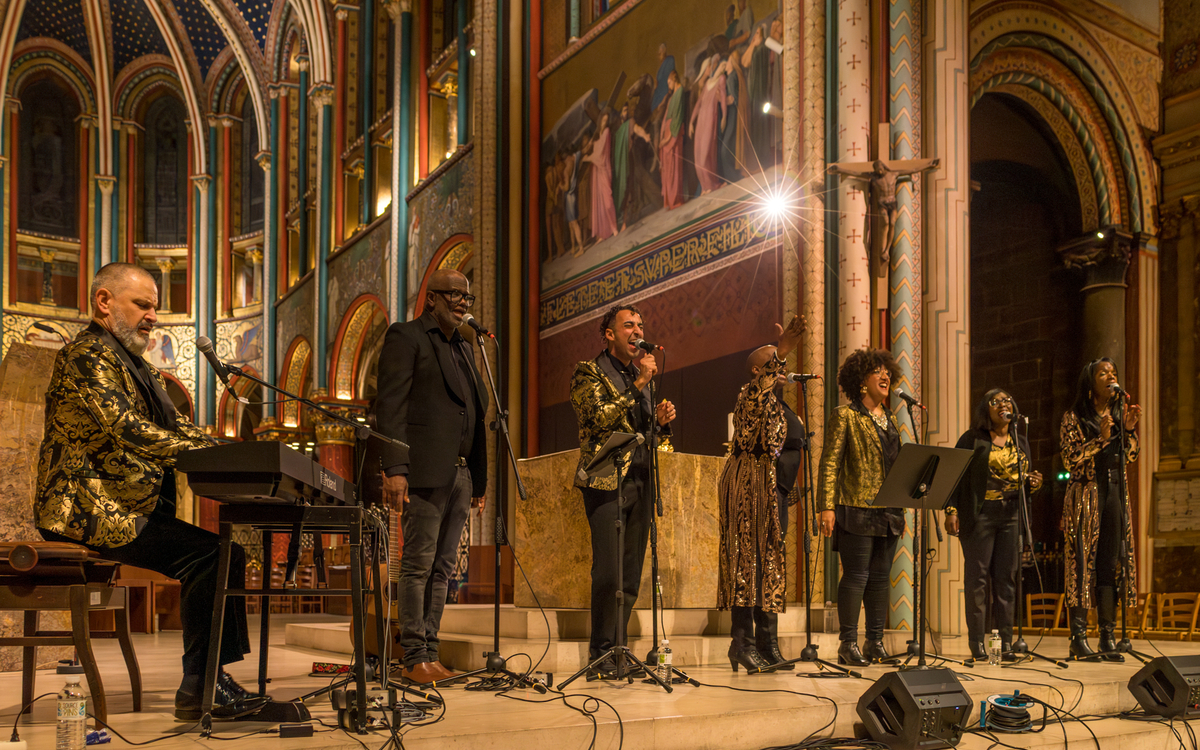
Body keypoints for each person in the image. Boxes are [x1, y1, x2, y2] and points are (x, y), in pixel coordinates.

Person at [35, 262, 266, 721]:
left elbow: (180, 427)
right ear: (104, 302)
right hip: (84, 507)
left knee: (225, 553)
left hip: (123, 506)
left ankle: (207, 681)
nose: (153, 316)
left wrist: (230, 454)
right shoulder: (86, 356)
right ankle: (202, 687)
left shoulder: (140, 368)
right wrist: (211, 458)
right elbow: (125, 428)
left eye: (155, 307)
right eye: (142, 304)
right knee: (213, 555)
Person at [377, 268, 489, 684]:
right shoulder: (406, 337)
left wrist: (479, 478)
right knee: (418, 565)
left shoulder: (463, 346)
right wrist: (395, 468)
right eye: (454, 295)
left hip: (459, 475)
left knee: (443, 568)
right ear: (432, 298)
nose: (462, 303)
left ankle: (432, 651)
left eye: (467, 297)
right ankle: (413, 654)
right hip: (423, 471)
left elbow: (475, 415)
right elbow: (391, 407)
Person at [571, 304, 676, 677]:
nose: (637, 331)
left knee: (630, 575)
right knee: (609, 573)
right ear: (610, 334)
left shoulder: (639, 376)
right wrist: (638, 386)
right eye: (628, 325)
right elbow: (597, 418)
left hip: (642, 480)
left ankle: (619, 652)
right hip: (605, 481)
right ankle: (600, 655)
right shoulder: (589, 372)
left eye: (641, 325)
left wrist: (661, 425)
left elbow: (648, 437)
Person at [718, 315, 805, 672]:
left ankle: (769, 645)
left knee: (770, 567)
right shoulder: (750, 397)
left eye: (781, 362)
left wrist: (789, 486)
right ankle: (742, 644)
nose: (781, 368)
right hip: (749, 493)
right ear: (759, 371)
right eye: (774, 363)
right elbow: (755, 427)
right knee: (748, 565)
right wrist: (781, 351)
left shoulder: (780, 407)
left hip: (773, 494)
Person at [817, 348, 906, 667]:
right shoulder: (845, 416)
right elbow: (829, 463)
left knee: (881, 578)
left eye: (887, 371)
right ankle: (848, 643)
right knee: (856, 576)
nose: (884, 376)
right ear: (861, 380)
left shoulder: (892, 419)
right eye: (876, 371)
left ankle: (875, 641)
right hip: (855, 505)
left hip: (890, 511)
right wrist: (826, 506)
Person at [945, 389, 1043, 661]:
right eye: (996, 401)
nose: (1003, 404)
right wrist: (951, 510)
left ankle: (1006, 644)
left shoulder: (1020, 440)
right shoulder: (972, 439)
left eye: (1007, 400)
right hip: (981, 515)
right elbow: (953, 476)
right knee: (977, 580)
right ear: (985, 409)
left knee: (1006, 581)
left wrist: (1033, 485)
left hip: (1011, 515)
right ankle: (977, 644)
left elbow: (1024, 483)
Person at [1060, 358, 1141, 661]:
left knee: (1111, 564)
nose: (1111, 376)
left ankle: (1107, 635)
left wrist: (1129, 430)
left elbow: (1132, 457)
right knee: (1082, 565)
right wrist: (1100, 440)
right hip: (1085, 495)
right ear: (1090, 381)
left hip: (1115, 493)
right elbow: (1070, 459)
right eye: (1103, 373)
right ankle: (1078, 637)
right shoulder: (1074, 417)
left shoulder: (1119, 414)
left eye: (1113, 372)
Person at [659, 71, 686, 209]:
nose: (668, 85)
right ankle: (669, 200)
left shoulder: (680, 91)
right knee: (668, 169)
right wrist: (662, 136)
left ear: (673, 78)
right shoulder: (671, 97)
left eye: (668, 82)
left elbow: (678, 116)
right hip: (668, 132)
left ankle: (676, 199)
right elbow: (666, 118)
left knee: (675, 168)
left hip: (674, 133)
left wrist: (668, 137)